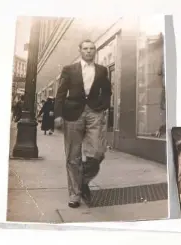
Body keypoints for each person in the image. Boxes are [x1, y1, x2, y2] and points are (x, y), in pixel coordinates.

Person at [54, 39, 112, 208]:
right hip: (72, 114)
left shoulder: (102, 70)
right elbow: (61, 93)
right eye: (85, 48)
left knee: (98, 152)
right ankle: (75, 195)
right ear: (80, 50)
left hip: (94, 112)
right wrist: (58, 115)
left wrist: (104, 105)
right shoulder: (69, 70)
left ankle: (82, 181)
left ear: (95, 51)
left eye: (92, 49)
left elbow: (107, 91)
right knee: (73, 155)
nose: (89, 51)